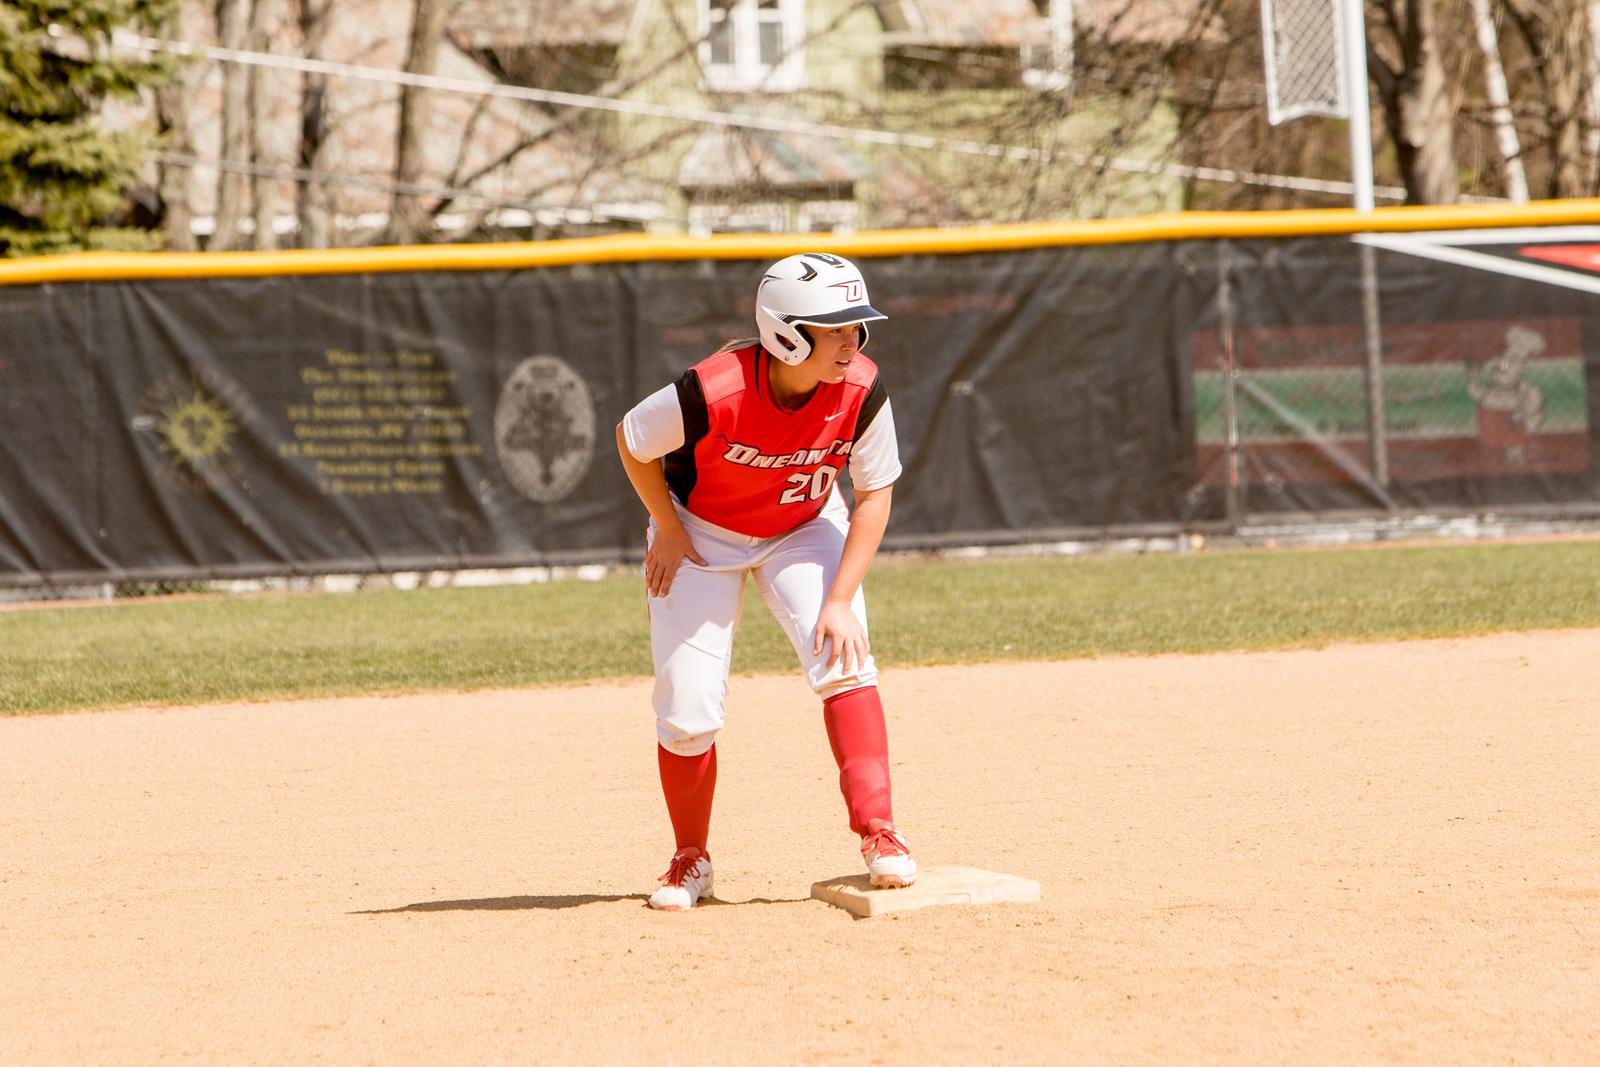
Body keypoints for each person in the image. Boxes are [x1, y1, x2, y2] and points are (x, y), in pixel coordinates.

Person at [615, 252, 917, 911]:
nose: (852, 341)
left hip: (803, 526)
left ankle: (880, 831)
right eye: (834, 329)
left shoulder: (862, 389)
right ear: (786, 334)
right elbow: (633, 440)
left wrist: (840, 601)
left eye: (856, 326)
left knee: (844, 659)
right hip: (701, 531)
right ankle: (691, 857)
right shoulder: (714, 389)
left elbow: (874, 495)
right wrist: (667, 525)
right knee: (688, 709)